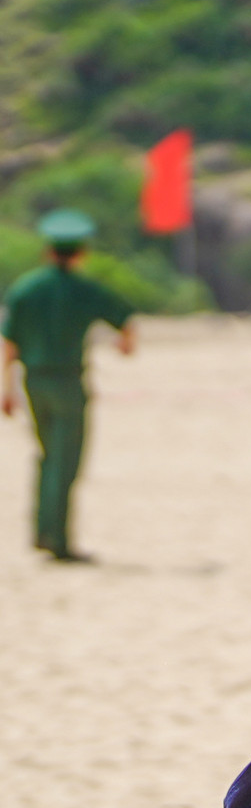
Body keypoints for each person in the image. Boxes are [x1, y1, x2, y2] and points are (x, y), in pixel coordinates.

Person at [1, 209, 136, 561]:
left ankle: (42, 531)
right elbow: (125, 321)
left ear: (48, 251)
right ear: (81, 253)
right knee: (66, 462)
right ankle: (58, 541)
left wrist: (7, 388)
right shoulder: (84, 289)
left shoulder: (25, 288)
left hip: (34, 382)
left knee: (46, 457)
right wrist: (123, 345)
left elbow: (9, 345)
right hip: (68, 382)